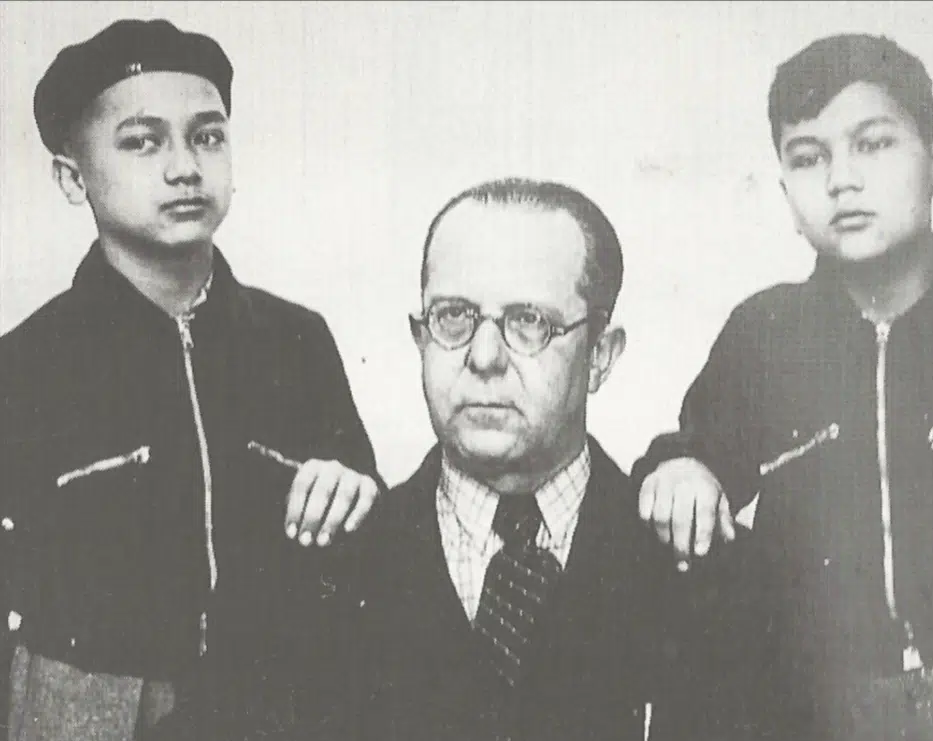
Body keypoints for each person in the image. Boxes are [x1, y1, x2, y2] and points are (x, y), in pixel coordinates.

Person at [632, 33, 933, 739]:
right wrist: (682, 468)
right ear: (788, 197)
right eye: (809, 157)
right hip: (816, 707)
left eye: (873, 144)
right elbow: (696, 449)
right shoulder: (765, 336)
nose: (842, 179)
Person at [0, 19, 382, 741]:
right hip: (85, 718)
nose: (185, 167)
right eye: (143, 142)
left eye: (207, 137)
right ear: (72, 177)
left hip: (282, 711)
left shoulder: (297, 341)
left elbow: (366, 544)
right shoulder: (22, 367)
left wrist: (357, 493)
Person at [330, 177, 701, 741]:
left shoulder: (708, 579)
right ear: (420, 338)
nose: (484, 358)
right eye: (453, 316)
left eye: (529, 321)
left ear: (600, 356)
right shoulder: (327, 571)